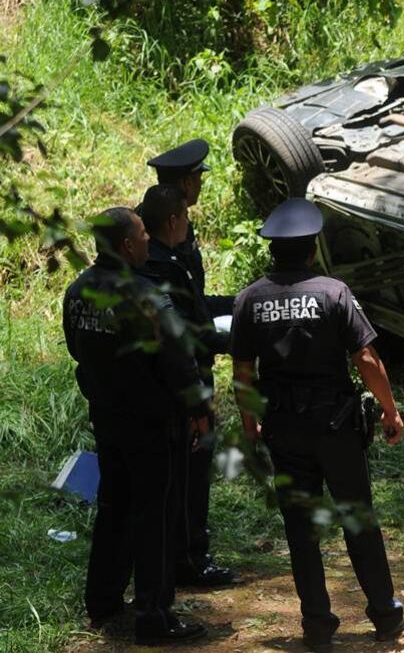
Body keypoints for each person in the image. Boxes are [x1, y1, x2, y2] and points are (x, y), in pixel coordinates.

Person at [229, 198, 404, 649]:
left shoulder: (249, 299)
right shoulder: (333, 293)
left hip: (284, 430)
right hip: (336, 427)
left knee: (301, 530)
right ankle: (386, 616)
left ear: (273, 250)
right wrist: (390, 409)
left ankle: (317, 626)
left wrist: (250, 426)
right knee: (357, 518)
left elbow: (242, 372)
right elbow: (365, 357)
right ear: (312, 250)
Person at [63, 207, 210, 644]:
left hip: (108, 419)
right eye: (143, 233)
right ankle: (154, 615)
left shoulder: (78, 290)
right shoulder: (147, 298)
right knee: (156, 517)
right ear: (128, 245)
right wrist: (198, 410)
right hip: (152, 424)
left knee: (114, 507)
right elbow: (178, 362)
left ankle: (103, 601)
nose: (149, 238)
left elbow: (76, 350)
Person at [146, 141, 235, 587]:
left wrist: (241, 301)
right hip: (181, 377)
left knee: (193, 469)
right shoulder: (157, 250)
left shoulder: (178, 233)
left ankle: (188, 552)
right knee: (187, 472)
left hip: (192, 366)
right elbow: (178, 327)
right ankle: (188, 560)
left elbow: (195, 302)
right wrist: (229, 341)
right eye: (198, 177)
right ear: (185, 184)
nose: (201, 183)